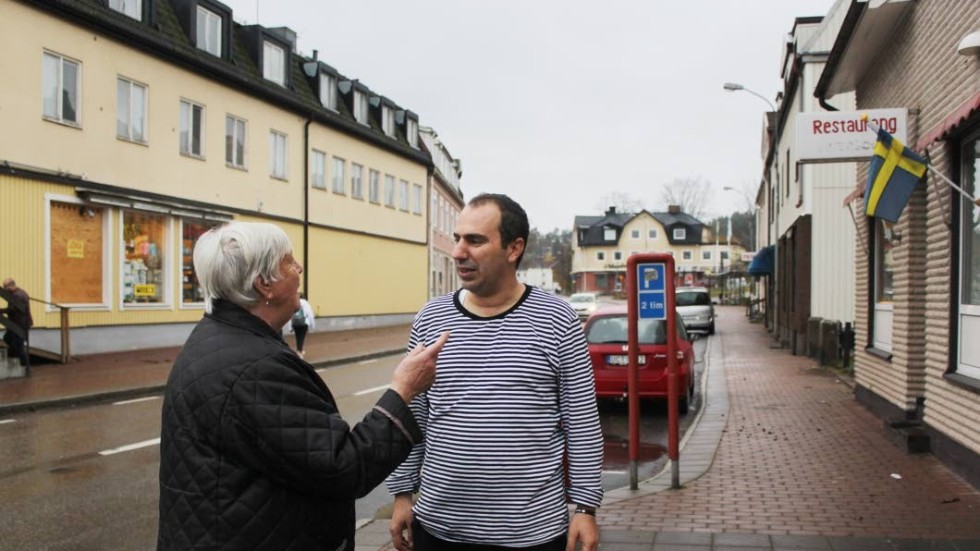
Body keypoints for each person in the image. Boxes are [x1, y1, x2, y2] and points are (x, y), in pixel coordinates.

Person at [157, 221, 449, 551]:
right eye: (288, 261)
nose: (299, 268)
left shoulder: (218, 339)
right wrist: (403, 392)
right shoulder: (257, 369)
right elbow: (345, 467)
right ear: (264, 284)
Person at [386, 194, 603, 551]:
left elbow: (581, 421)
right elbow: (413, 414)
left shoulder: (557, 320)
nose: (458, 251)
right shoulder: (431, 319)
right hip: (439, 529)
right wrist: (402, 492)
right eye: (457, 239)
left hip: (532, 533)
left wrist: (584, 507)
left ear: (514, 248)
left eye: (475, 240)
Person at [1, 278, 32, 367]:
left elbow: (13, 310)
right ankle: (15, 362)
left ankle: (26, 367)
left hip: (20, 324)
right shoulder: (16, 294)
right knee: (8, 339)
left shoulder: (18, 295)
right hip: (15, 324)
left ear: (11, 286)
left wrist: (1, 311)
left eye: (5, 287)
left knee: (18, 346)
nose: (4, 289)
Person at [286, 293, 315, 358]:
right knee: (301, 337)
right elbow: (310, 314)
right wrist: (312, 325)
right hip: (304, 323)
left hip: (295, 323)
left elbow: (290, 315)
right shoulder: (305, 303)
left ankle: (299, 350)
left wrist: (290, 327)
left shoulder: (294, 303)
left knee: (298, 337)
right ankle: (300, 352)